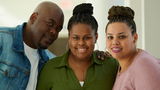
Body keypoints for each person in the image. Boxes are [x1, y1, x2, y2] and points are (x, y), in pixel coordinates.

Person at [0, 1, 106, 90]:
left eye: (58, 29)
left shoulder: (49, 61)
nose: (54, 32)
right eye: (50, 23)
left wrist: (93, 55)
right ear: (33, 18)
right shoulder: (2, 40)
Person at [36, 3, 118, 90]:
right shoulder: (50, 68)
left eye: (87, 37)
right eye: (76, 37)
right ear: (69, 38)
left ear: (96, 38)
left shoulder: (111, 65)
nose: (81, 43)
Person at [105, 5, 160, 90]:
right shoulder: (120, 66)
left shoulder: (143, 65)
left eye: (122, 36)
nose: (114, 42)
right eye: (110, 37)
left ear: (134, 38)